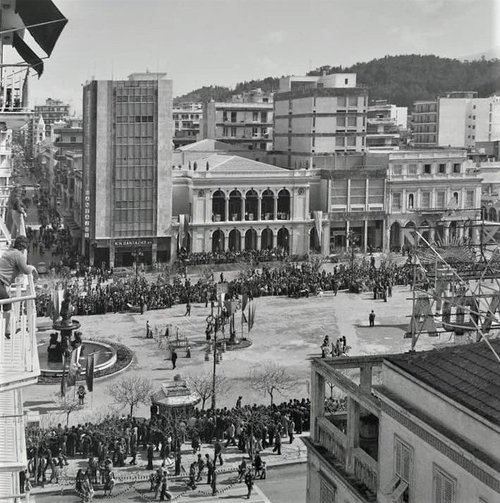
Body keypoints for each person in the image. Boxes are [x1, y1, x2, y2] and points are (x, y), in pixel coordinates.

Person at [0, 236, 37, 339]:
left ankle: (6, 329)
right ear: (24, 247)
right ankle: (6, 331)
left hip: (2, 283)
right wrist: (32, 268)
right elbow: (26, 270)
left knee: (5, 303)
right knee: (7, 304)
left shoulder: (9, 252)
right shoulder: (18, 255)